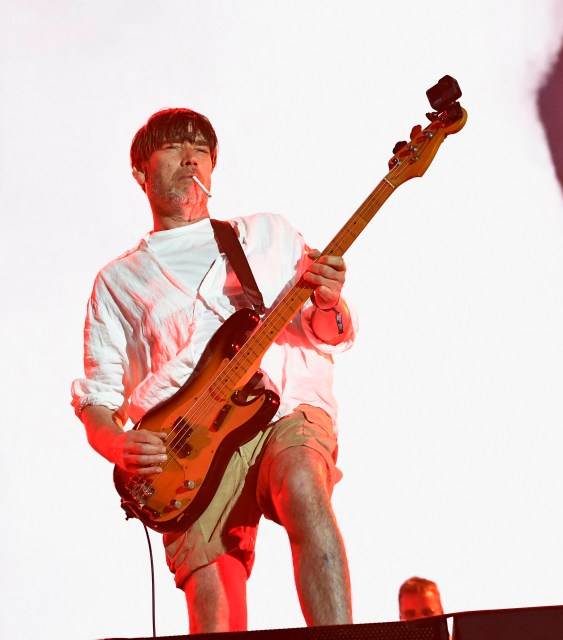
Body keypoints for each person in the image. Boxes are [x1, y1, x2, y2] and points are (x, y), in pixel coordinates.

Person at [71, 108, 355, 633]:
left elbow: (326, 330)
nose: (190, 158)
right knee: (214, 602)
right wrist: (119, 446)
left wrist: (328, 300)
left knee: (302, 483)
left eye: (200, 149)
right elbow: (98, 398)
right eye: (175, 148)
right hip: (188, 451)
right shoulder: (117, 282)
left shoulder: (267, 234)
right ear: (141, 171)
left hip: (283, 409)